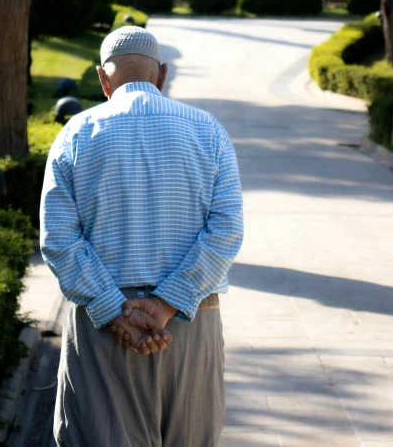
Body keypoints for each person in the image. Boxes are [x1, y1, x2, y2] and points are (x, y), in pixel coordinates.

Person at [40, 25, 243, 447]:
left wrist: (116, 310)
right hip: (190, 322)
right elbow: (227, 230)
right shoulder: (209, 131)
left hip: (104, 331)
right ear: (161, 75)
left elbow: (58, 238)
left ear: (102, 78)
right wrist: (166, 304)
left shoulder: (74, 134)